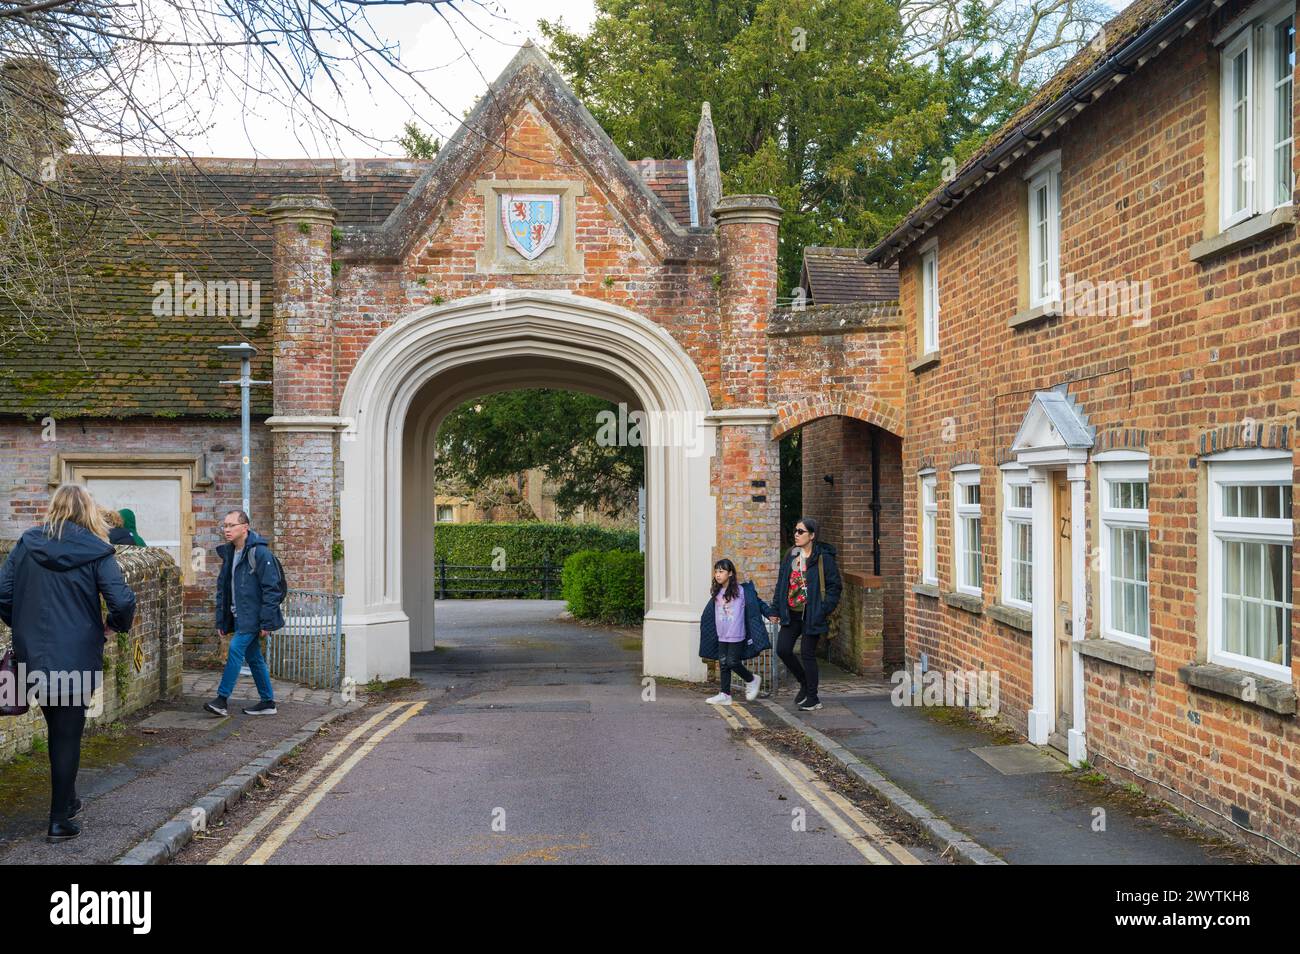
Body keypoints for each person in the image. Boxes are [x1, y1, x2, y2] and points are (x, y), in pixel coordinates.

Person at [0, 484, 137, 843]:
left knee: (57, 730)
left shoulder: (27, 544)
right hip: (76, 654)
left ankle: (69, 800)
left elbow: (3, 594)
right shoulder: (97, 550)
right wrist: (112, 627)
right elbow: (121, 601)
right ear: (87, 510)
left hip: (33, 654)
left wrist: (23, 627)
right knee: (67, 735)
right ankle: (59, 819)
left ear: (54, 508)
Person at [205, 510, 283, 717]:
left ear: (245, 527)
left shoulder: (260, 553)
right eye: (225, 526)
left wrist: (266, 622)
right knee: (254, 658)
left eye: (231, 525)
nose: (227, 530)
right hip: (239, 615)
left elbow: (272, 589)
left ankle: (222, 699)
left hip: (253, 616)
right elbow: (224, 589)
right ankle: (268, 702)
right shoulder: (230, 553)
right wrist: (222, 621)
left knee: (235, 649)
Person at [769, 516, 841, 711]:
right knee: (783, 649)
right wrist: (775, 609)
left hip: (812, 614)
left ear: (812, 535)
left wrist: (823, 608)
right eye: (795, 530)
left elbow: (835, 587)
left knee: (808, 654)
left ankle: (813, 697)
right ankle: (803, 682)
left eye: (801, 531)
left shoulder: (823, 558)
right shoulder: (791, 556)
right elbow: (781, 584)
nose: (796, 534)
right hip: (791, 613)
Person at [698, 558, 772, 705]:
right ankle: (725, 694)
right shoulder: (717, 592)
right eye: (716, 571)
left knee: (732, 662)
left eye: (721, 571)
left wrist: (770, 613)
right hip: (722, 634)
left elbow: (757, 603)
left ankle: (752, 679)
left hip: (736, 634)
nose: (718, 575)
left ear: (730, 573)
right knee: (724, 663)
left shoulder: (742, 591)